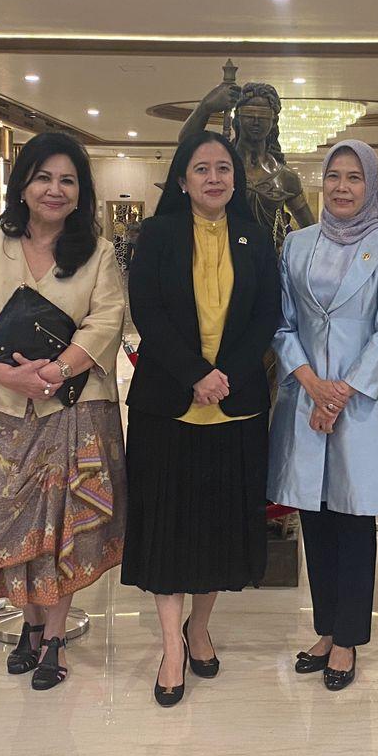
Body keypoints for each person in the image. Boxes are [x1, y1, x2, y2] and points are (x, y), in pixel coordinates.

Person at [0, 132, 128, 691]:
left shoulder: (97, 252)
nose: (55, 189)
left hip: (75, 406)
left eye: (67, 180)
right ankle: (28, 622)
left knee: (65, 520)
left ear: (81, 192)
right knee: (8, 516)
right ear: (22, 185)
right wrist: (8, 374)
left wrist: (58, 370)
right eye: (44, 177)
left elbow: (107, 318)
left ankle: (53, 635)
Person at [121, 131, 281, 707]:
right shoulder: (158, 234)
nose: (214, 178)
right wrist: (195, 373)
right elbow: (147, 311)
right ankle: (171, 648)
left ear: (235, 179)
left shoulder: (255, 238)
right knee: (167, 527)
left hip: (234, 407)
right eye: (201, 168)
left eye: (223, 168)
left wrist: (226, 376)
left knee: (218, 527)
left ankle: (200, 628)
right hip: (168, 403)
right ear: (183, 180)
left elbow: (267, 315)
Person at [268, 140, 378, 692]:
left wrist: (342, 393)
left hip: (362, 404)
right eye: (334, 176)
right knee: (315, 517)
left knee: (354, 520)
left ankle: (349, 638)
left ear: (370, 185)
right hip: (305, 397)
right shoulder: (297, 243)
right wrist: (311, 383)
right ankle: (326, 629)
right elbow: (282, 322)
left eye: (355, 177)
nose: (342, 187)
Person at [182, 76, 316, 250]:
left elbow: (311, 231)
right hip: (223, 256)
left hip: (269, 261)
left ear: (274, 121)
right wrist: (205, 107)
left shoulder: (285, 177)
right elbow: (186, 144)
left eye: (263, 116)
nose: (256, 121)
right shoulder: (220, 168)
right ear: (237, 119)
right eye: (249, 115)